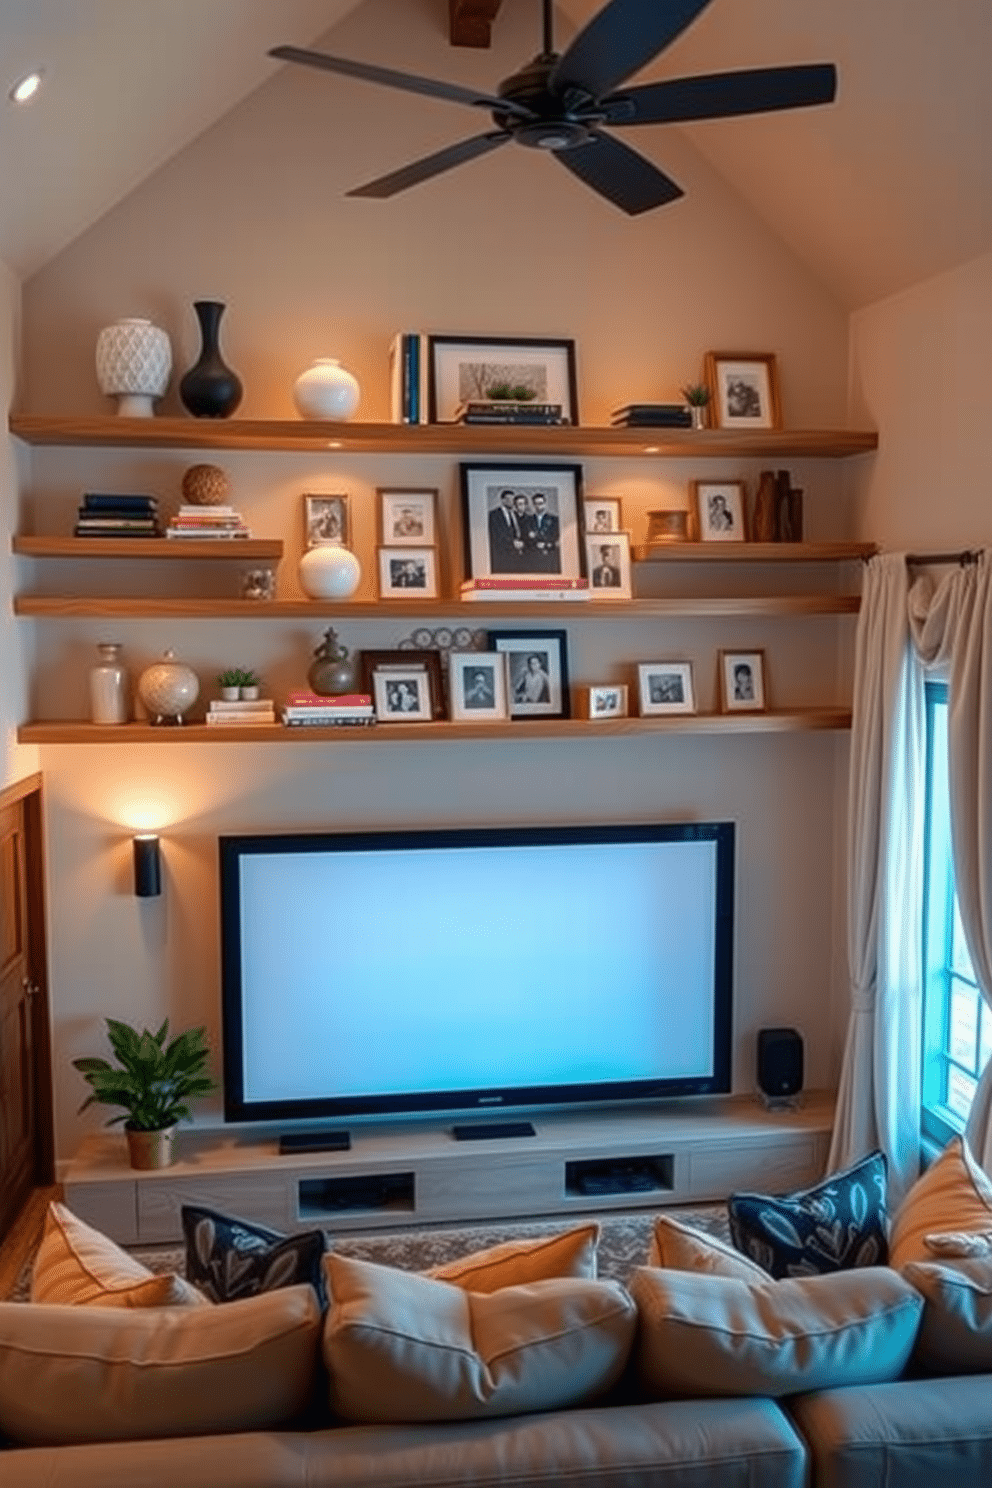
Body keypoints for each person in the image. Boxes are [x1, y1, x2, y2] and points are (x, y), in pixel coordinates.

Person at [487, 489, 522, 573]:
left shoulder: (515, 514)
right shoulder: (494, 514)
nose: (511, 502)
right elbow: (496, 535)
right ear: (502, 500)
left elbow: (518, 531)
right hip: (501, 554)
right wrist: (512, 543)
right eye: (508, 499)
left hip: (515, 555)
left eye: (513, 500)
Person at [526, 491, 560, 573]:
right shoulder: (528, 520)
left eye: (541, 503)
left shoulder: (554, 519)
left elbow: (555, 537)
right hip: (533, 556)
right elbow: (526, 538)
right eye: (536, 504)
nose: (539, 506)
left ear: (545, 504)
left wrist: (545, 544)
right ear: (533, 505)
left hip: (549, 555)